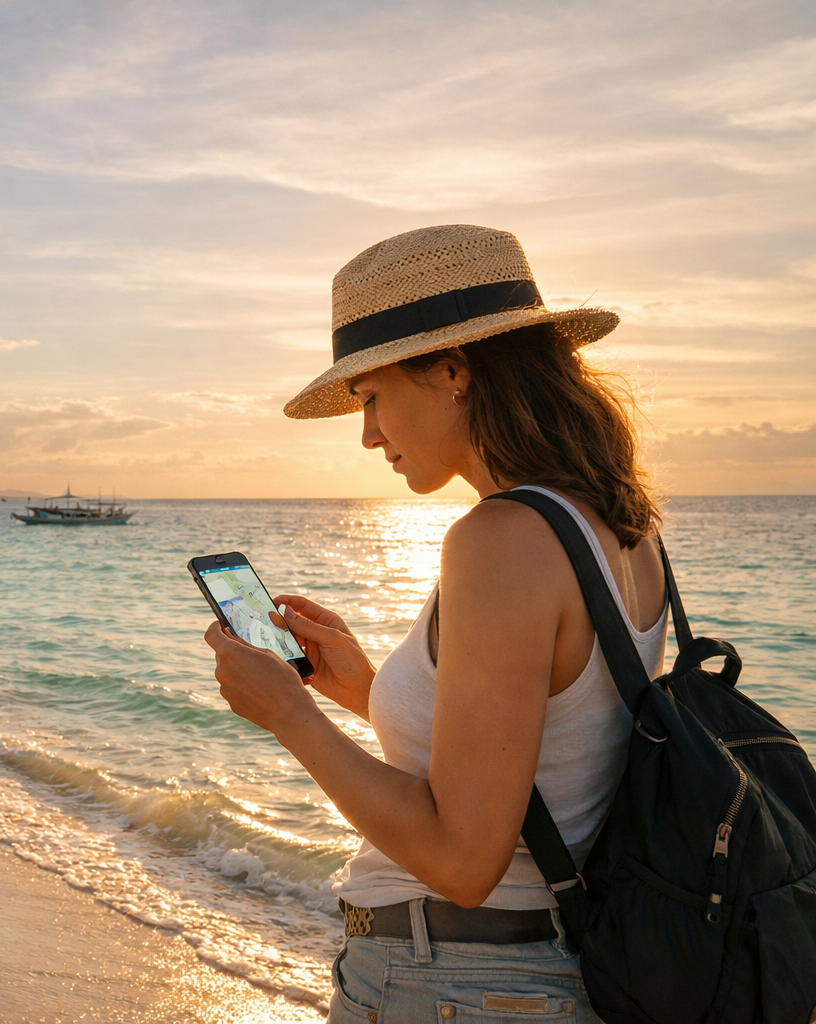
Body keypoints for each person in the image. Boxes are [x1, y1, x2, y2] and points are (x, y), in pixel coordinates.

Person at [204, 225, 665, 1023]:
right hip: (543, 974)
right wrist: (366, 690)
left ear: (453, 370)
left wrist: (290, 715)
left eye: (371, 397)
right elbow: (546, 755)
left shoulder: (500, 539)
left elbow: (463, 861)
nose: (368, 434)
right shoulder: (625, 529)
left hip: (449, 983)